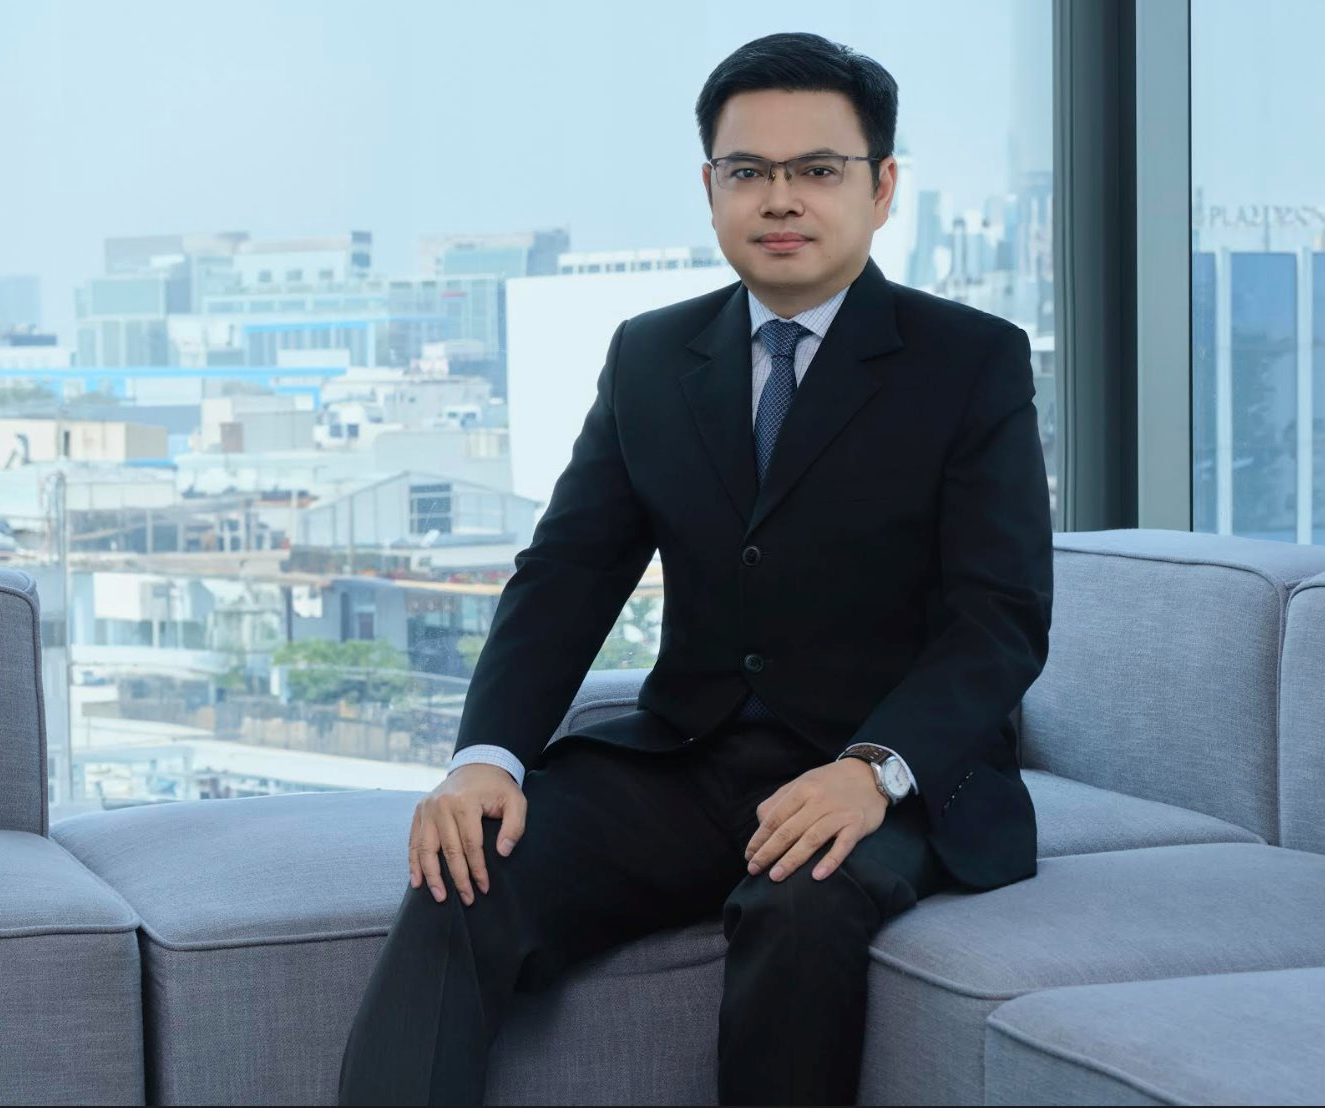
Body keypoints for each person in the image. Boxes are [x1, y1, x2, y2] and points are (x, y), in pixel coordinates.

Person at [338, 29, 1052, 1108]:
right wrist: (487, 756)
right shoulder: (650, 354)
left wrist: (873, 769)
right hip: (690, 756)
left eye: (818, 170)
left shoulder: (971, 359)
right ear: (710, 188)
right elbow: (568, 572)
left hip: (887, 775)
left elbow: (999, 617)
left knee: (798, 906)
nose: (781, 199)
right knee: (467, 871)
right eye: (747, 170)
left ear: (882, 188)